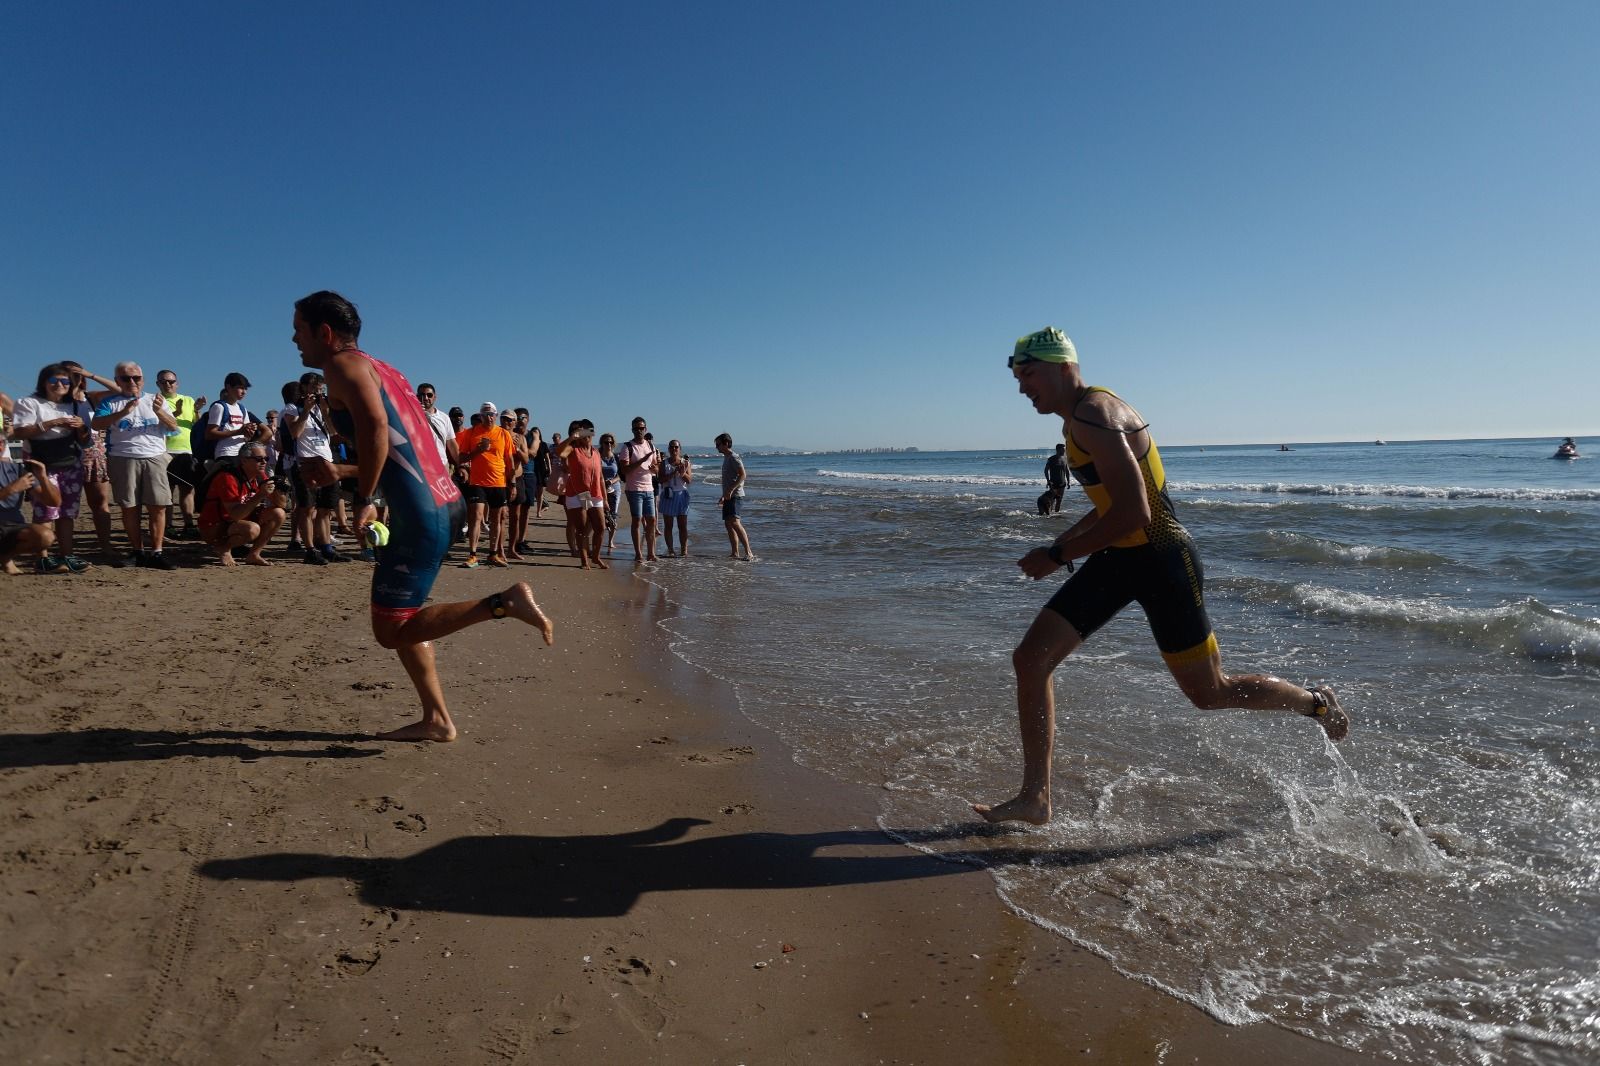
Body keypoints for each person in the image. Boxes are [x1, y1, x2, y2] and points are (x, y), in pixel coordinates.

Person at [973, 327, 1350, 826]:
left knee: (1210, 692)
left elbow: (1137, 515)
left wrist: (1059, 552)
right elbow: (1113, 507)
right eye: (1018, 377)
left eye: (1029, 374)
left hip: (1162, 560)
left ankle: (1314, 703)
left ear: (1064, 367)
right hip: (1120, 559)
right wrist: (1057, 546)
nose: (1023, 387)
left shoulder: (1095, 416)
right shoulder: (1078, 421)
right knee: (1031, 659)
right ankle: (1035, 798)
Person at [290, 290, 552, 742]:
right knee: (403, 616)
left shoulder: (341, 366)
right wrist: (343, 469)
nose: (294, 340)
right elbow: (405, 449)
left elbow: (374, 430)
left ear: (325, 333)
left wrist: (365, 497)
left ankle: (502, 603)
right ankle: (436, 720)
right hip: (442, 500)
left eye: (299, 330)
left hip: (419, 512)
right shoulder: (385, 369)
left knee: (391, 630)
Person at [92, 361, 181, 569]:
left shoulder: (156, 400)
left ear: (143, 379)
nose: (132, 382)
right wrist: (123, 412)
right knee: (130, 507)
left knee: (158, 506)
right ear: (117, 381)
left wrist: (160, 412)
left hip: (155, 457)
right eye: (126, 378)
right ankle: (137, 551)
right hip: (123, 458)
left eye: (136, 378)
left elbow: (173, 426)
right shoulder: (111, 402)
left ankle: (157, 553)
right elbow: (96, 424)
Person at [9, 364, 94, 571]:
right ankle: (43, 557)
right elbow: (19, 433)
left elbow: (85, 439)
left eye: (65, 381)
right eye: (54, 380)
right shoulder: (29, 403)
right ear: (43, 382)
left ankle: (67, 555)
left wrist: (81, 427)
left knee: (67, 512)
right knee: (46, 509)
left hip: (70, 462)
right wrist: (52, 423)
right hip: (41, 464)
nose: (59, 385)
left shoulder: (74, 405)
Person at [284, 371, 345, 565]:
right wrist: (305, 411)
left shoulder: (322, 408)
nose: (318, 391)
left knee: (326, 507)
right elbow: (295, 433)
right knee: (306, 508)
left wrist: (326, 410)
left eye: (320, 388)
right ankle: (310, 549)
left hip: (326, 460)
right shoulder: (292, 408)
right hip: (305, 462)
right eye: (314, 388)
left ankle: (326, 546)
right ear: (303, 388)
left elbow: (334, 432)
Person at [198, 442, 285, 566]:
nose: (264, 462)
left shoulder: (260, 475)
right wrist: (260, 495)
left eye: (266, 459)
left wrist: (279, 490)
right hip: (214, 526)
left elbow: (282, 505)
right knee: (252, 529)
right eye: (258, 459)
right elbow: (235, 515)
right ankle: (224, 549)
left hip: (236, 522)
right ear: (244, 460)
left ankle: (254, 554)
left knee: (279, 514)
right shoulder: (228, 478)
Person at [454, 401, 515, 568]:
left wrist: (513, 483)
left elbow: (509, 460)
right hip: (478, 482)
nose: (488, 417)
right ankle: (472, 555)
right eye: (485, 414)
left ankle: (493, 554)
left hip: (499, 482)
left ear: (496, 416)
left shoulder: (503, 434)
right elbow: (462, 458)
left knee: (497, 519)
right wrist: (478, 451)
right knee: (476, 517)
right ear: (480, 416)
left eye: (491, 414)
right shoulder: (471, 433)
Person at [0, 428, 64, 574]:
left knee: (45, 536)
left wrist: (43, 478)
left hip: (12, 525)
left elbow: (54, 502)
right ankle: (6, 561)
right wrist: (10, 490)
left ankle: (5, 557)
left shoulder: (15, 466)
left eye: (1, 443)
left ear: (4, 445)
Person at [155, 370, 205, 539]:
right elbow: (162, 422)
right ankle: (168, 526)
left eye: (171, 381)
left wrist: (197, 410)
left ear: (177, 383)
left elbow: (195, 425)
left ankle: (189, 525)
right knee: (166, 492)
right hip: (164, 450)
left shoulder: (188, 400)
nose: (168, 384)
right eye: (163, 382)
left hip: (186, 450)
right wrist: (175, 413)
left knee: (187, 490)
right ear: (158, 384)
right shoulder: (156, 401)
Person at [555, 419, 607, 569]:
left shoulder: (596, 452)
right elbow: (559, 452)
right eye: (584, 431)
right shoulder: (573, 449)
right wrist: (572, 437)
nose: (587, 435)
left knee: (600, 527)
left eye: (590, 430)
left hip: (594, 494)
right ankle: (584, 560)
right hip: (578, 494)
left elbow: (601, 477)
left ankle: (596, 556)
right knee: (582, 529)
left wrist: (605, 499)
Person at [618, 416, 660, 561]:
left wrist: (655, 468)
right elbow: (624, 470)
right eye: (636, 428)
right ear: (632, 430)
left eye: (641, 428)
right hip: (634, 488)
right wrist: (642, 460)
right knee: (637, 520)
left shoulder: (651, 446)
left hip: (649, 488)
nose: (639, 431)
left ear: (645, 429)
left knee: (652, 521)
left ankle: (651, 553)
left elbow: (656, 468)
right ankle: (638, 553)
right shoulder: (627, 447)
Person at [205, 372, 264, 474]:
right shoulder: (219, 407)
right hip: (225, 454)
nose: (244, 392)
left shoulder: (242, 408)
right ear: (228, 387)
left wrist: (250, 431)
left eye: (245, 389)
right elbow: (209, 434)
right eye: (240, 388)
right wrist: (239, 431)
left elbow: (246, 436)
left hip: (242, 455)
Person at [715, 433, 751, 560]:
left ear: (726, 444)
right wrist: (724, 495)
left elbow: (743, 475)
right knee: (728, 524)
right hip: (728, 496)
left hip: (736, 495)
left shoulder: (734, 457)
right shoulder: (726, 458)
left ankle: (748, 552)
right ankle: (735, 552)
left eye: (718, 444)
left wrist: (730, 490)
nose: (716, 447)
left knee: (735, 522)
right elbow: (729, 479)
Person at [659, 439, 692, 556]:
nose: (674, 449)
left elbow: (689, 481)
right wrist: (673, 474)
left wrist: (682, 473)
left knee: (682, 524)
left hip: (682, 495)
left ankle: (684, 550)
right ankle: (671, 550)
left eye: (676, 447)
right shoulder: (664, 463)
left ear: (680, 449)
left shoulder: (685, 463)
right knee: (668, 525)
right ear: (668, 449)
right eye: (672, 447)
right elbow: (660, 479)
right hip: (668, 495)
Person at [598, 432, 621, 556]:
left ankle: (611, 541)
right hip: (599, 488)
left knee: (613, 515)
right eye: (606, 442)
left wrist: (611, 481)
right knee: (599, 515)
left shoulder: (616, 457)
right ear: (602, 443)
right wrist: (602, 481)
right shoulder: (597, 456)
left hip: (615, 488)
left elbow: (620, 475)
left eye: (611, 442)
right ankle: (599, 539)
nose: (609, 444)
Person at [1039, 443, 1069, 516]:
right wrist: (1048, 480)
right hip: (1053, 483)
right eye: (1063, 449)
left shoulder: (1065, 458)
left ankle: (1056, 514)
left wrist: (1068, 481)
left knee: (1059, 500)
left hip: (1062, 483)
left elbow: (1067, 471)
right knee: (1051, 501)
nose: (1064, 450)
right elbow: (1046, 470)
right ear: (1058, 450)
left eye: (1064, 449)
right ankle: (1050, 515)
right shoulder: (1051, 459)